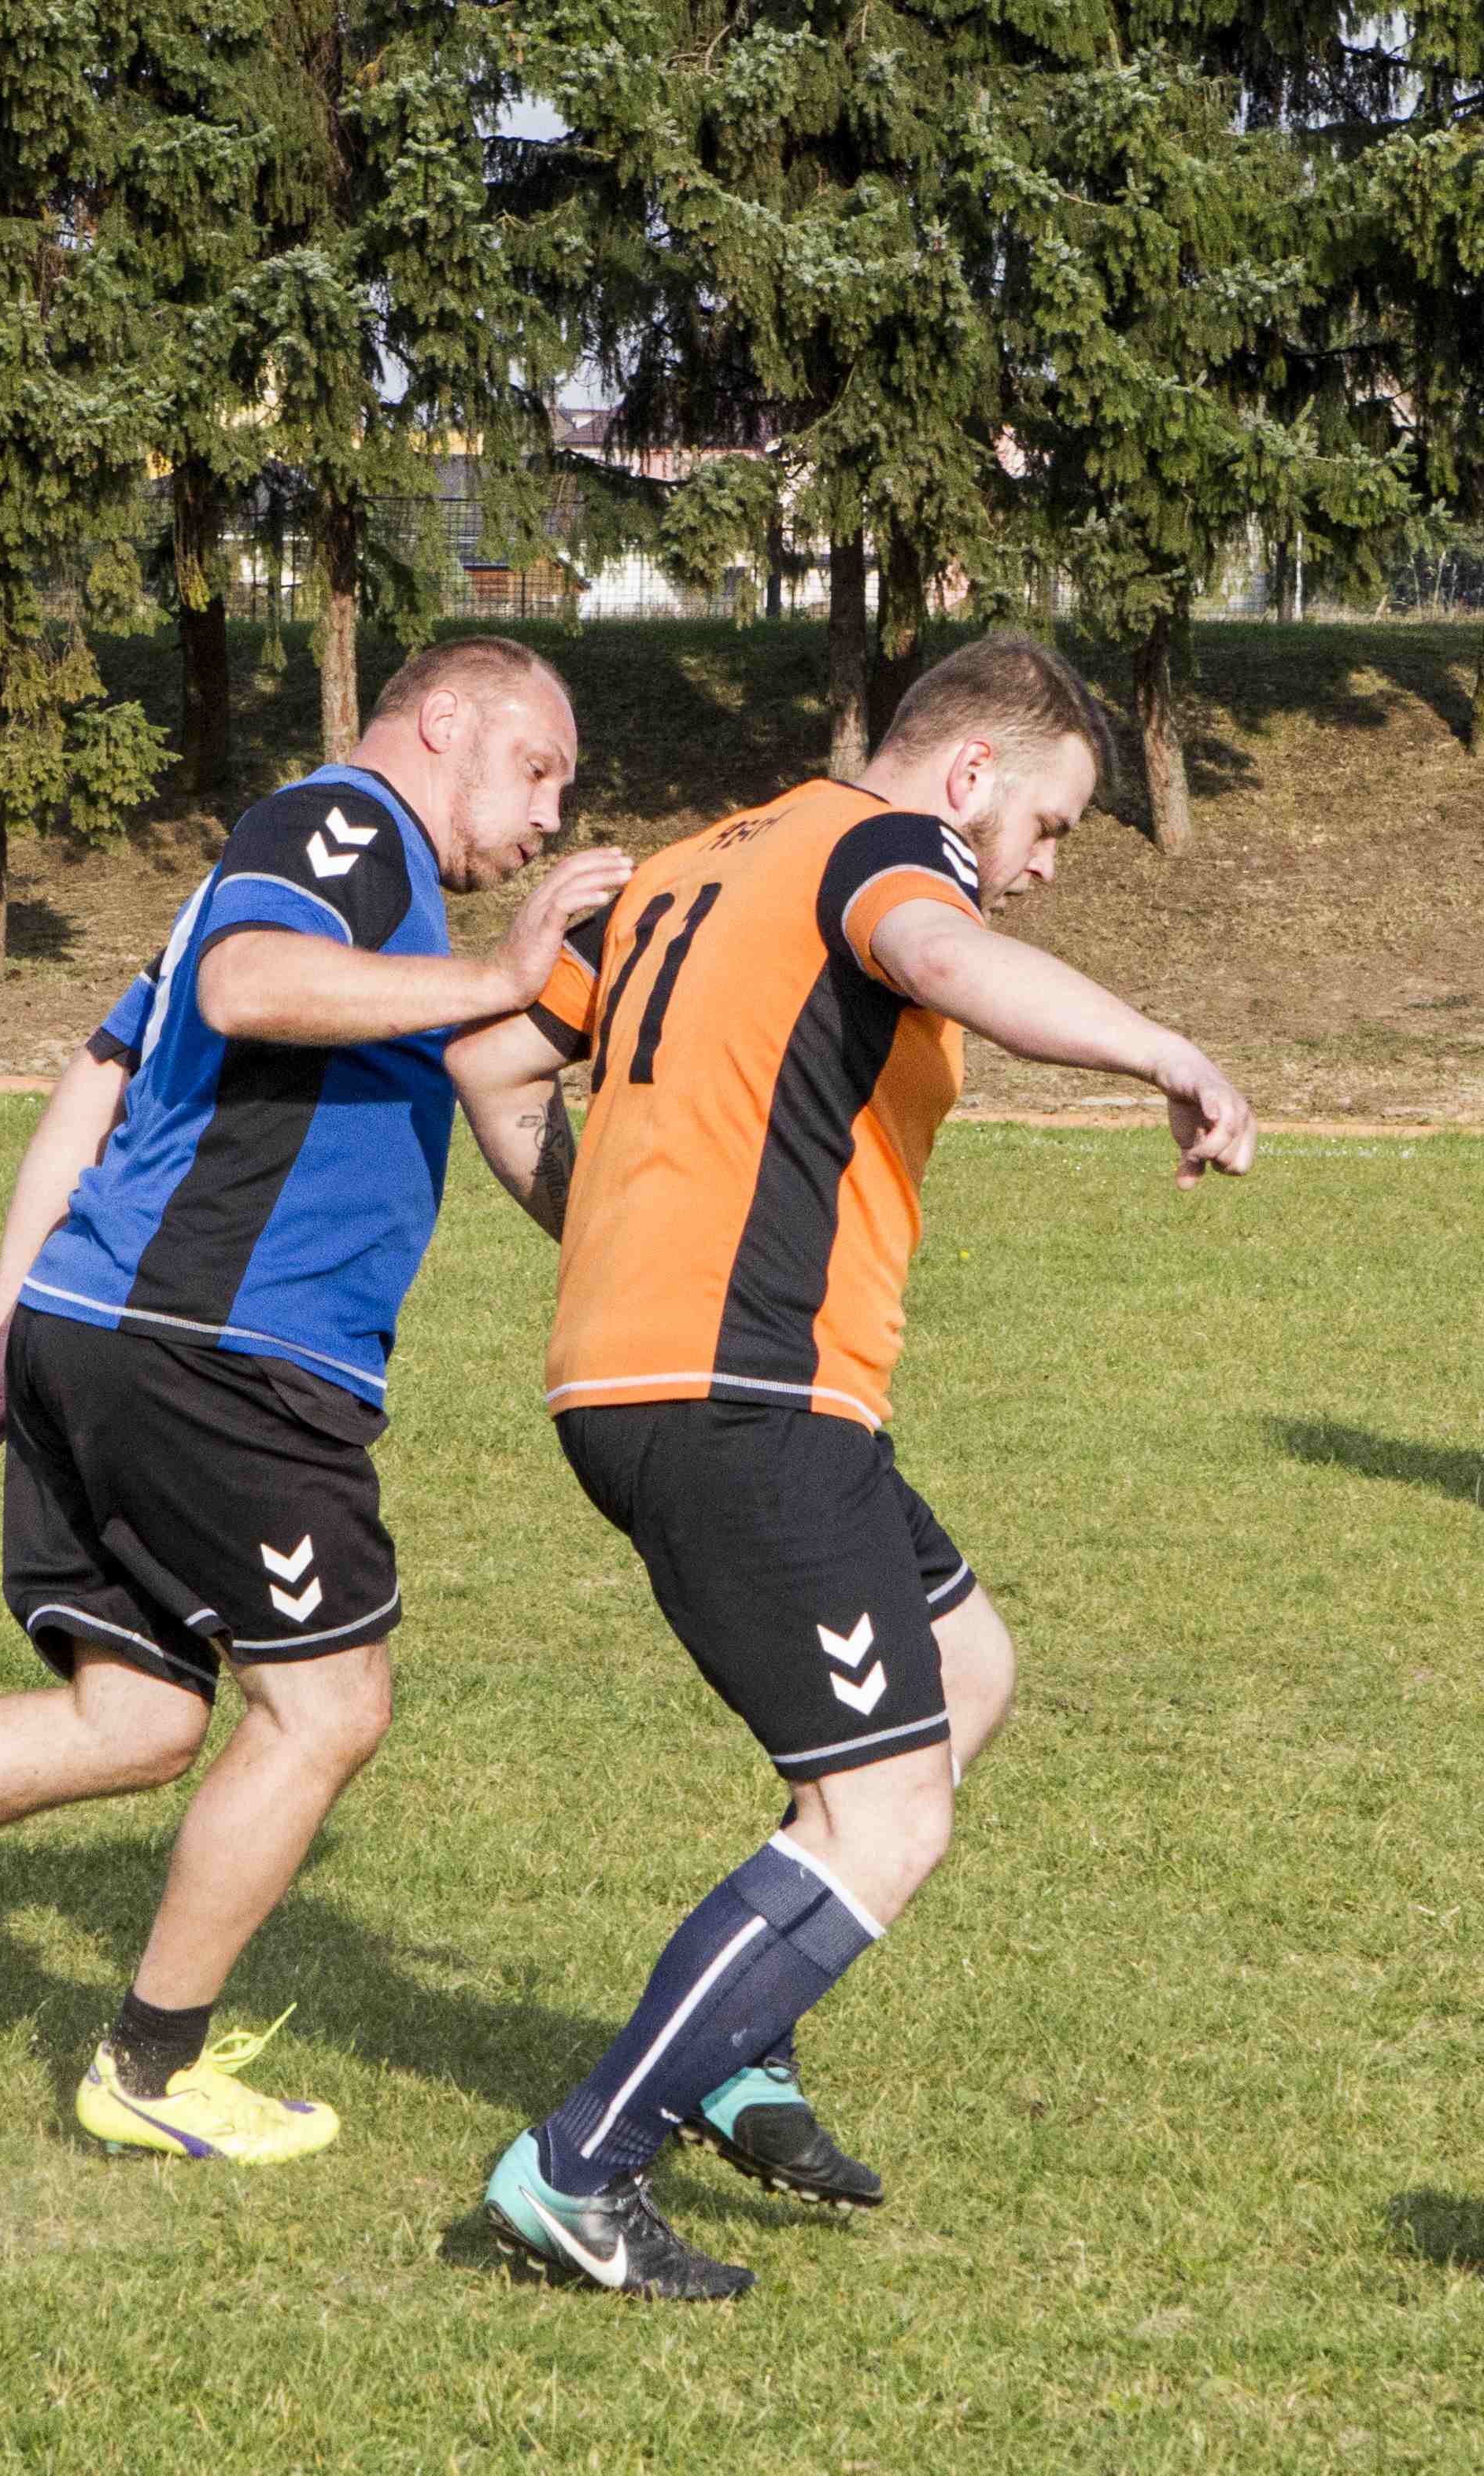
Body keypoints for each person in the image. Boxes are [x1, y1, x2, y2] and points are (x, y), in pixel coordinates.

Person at [0, 638, 631, 2157]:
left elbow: (97, 1078)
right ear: (445, 721)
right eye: (537, 769)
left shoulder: (360, 905)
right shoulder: (346, 827)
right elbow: (246, 991)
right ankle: (150, 2070)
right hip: (214, 1347)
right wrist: (505, 971)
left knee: (134, 1713)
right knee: (325, 1704)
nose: (550, 816)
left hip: (103, 1326)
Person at [444, 632, 1257, 2297]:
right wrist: (1164, 1051)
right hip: (741, 1394)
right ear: (970, 776)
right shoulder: (888, 853)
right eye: (1046, 828)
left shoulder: (695, 861)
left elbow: (490, 1054)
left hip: (699, 1379)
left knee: (966, 1664)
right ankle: (576, 2166)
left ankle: (737, 2047)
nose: (1034, 871)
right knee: (881, 1807)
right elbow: (941, 959)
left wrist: (598, 1237)